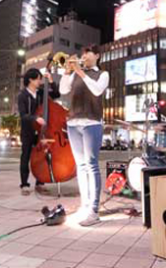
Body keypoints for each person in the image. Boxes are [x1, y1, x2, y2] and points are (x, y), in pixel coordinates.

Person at [60, 45, 109, 227]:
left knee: (92, 165)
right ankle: (85, 204)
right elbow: (64, 90)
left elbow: (97, 90)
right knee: (80, 166)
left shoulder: (102, 74)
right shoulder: (76, 73)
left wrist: (80, 72)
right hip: (73, 123)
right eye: (83, 54)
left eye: (88, 53)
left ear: (97, 55)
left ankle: (94, 211)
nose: (85, 56)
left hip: (92, 123)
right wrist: (67, 71)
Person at [17, 68, 60, 195]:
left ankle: (40, 182)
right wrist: (36, 118)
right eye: (38, 79)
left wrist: (51, 82)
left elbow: (56, 95)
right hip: (28, 130)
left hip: (42, 130)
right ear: (30, 79)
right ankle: (24, 184)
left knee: (42, 157)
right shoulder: (22, 95)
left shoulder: (41, 92)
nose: (40, 81)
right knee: (26, 156)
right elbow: (23, 115)